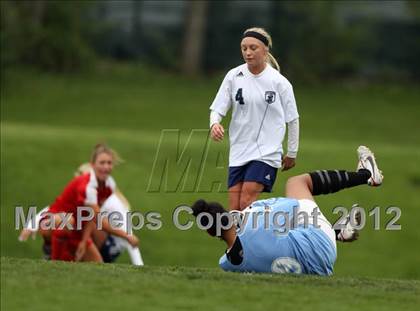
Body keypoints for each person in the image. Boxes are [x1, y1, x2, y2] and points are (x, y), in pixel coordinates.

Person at [191, 146, 383, 275]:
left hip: (318, 270)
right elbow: (293, 207)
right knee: (296, 183)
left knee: (284, 238)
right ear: (227, 214)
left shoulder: (227, 264)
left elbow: (239, 248)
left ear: (210, 232)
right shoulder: (256, 224)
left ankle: (338, 233)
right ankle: (366, 175)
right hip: (321, 245)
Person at [209, 27, 300, 211]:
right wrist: (214, 124)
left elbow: (293, 119)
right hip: (239, 150)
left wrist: (292, 152)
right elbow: (217, 108)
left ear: (265, 50)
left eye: (253, 48)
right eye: (244, 48)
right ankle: (247, 238)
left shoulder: (279, 82)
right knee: (235, 210)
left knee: (246, 202)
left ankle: (276, 223)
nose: (248, 53)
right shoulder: (234, 76)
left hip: (266, 152)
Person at [23, 144, 139, 262]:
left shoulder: (109, 185)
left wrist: (84, 241)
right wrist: (127, 236)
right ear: (93, 165)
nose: (106, 166)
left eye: (109, 163)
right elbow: (100, 220)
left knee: (97, 263)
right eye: (102, 163)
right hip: (53, 222)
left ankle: (61, 257)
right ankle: (51, 253)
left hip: (77, 229)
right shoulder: (88, 186)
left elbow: (91, 217)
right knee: (67, 220)